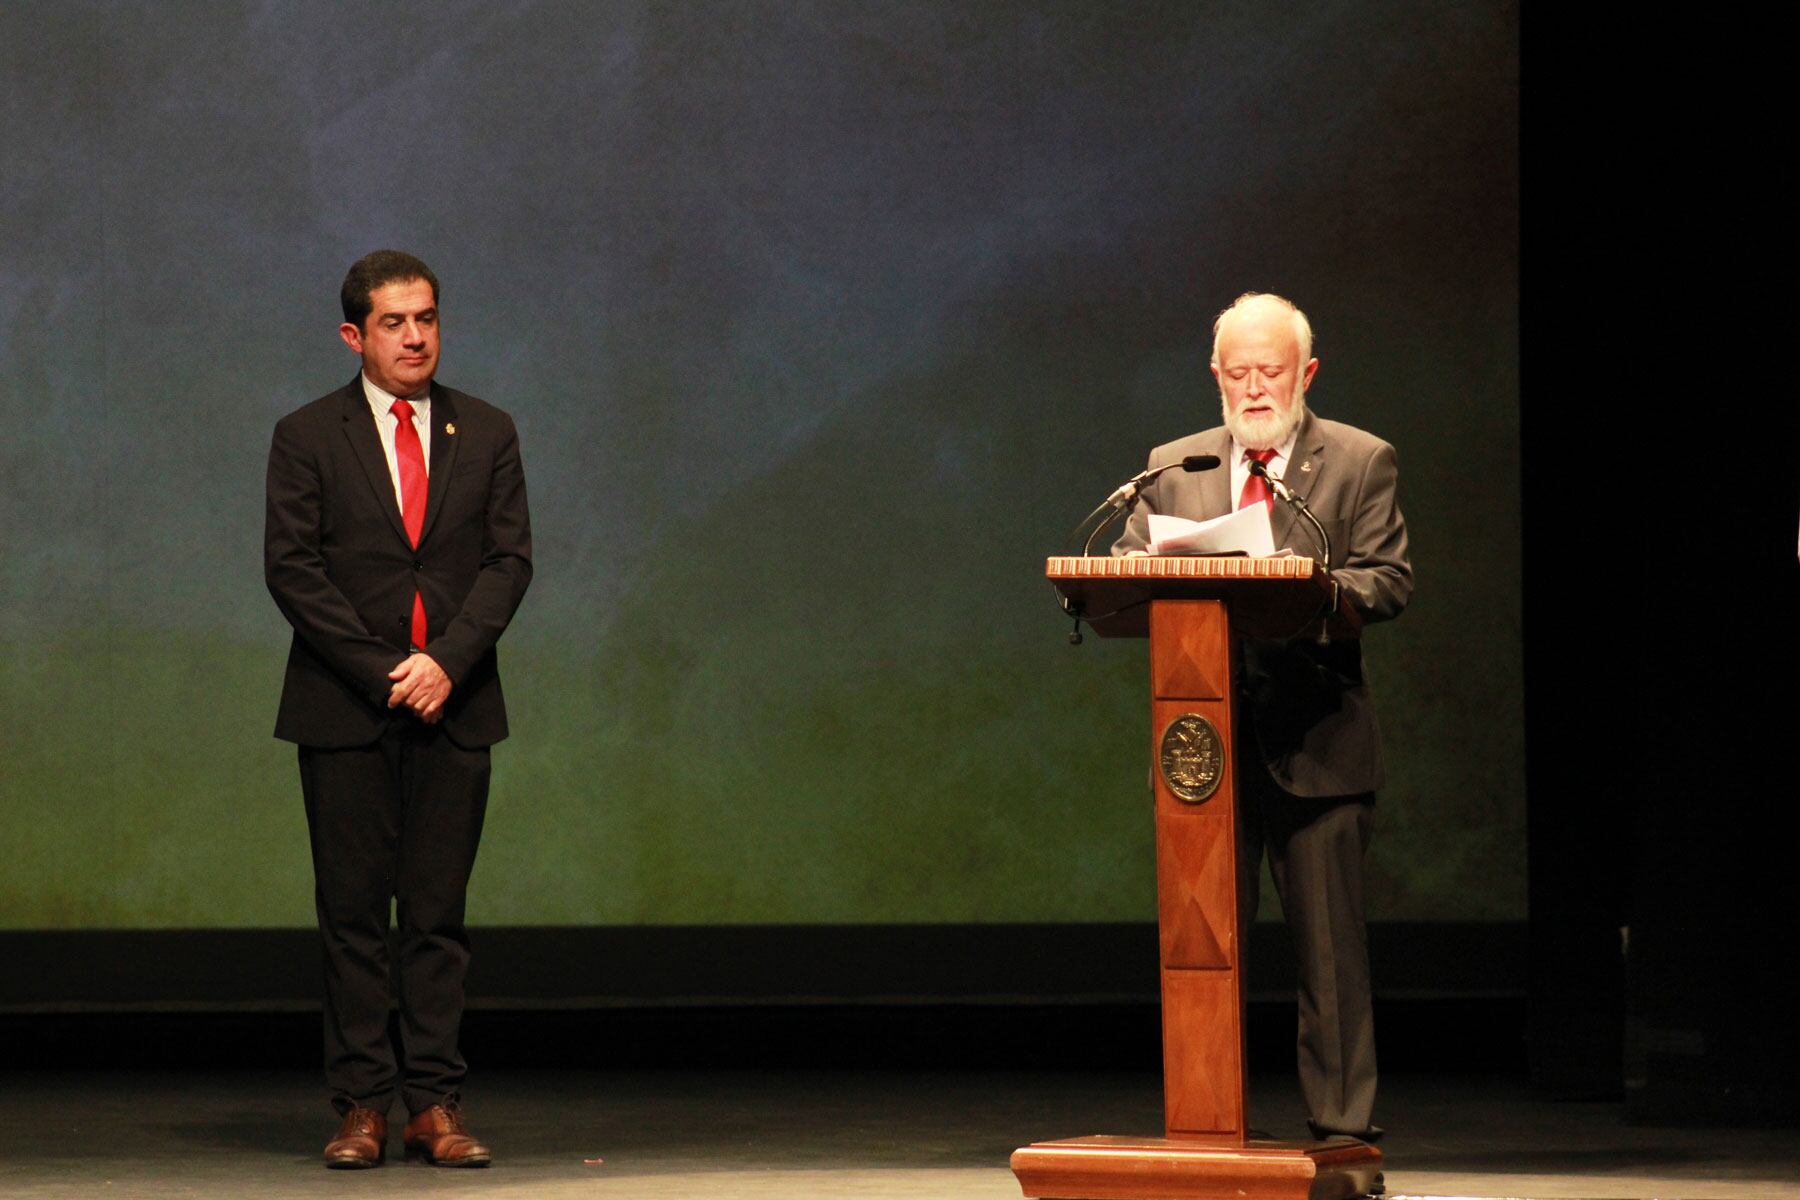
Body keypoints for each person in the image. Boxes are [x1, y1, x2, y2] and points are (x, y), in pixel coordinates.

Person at [1114, 292, 1411, 1142]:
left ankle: (1344, 1135)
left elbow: (1387, 580)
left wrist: (1307, 584)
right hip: (1202, 751)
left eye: (1270, 372)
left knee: (1331, 960)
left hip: (1320, 746)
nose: (1253, 388)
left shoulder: (1360, 462)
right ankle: (1209, 1130)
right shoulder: (1174, 467)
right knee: (1206, 957)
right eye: (1237, 372)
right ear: (1215, 375)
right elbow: (1134, 564)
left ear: (1305, 374)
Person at [265, 251, 532, 1168]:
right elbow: (293, 570)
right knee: (350, 916)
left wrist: (445, 665)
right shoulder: (307, 435)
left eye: (426, 318)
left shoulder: (486, 430)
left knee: (435, 915)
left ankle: (435, 1106)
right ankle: (362, 1108)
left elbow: (508, 563)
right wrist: (389, 671)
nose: (415, 336)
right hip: (346, 707)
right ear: (355, 335)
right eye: (394, 322)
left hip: (454, 704)